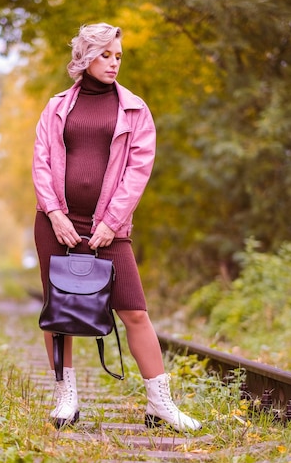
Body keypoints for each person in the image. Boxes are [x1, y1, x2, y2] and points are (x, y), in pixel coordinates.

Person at [32, 22, 201, 432]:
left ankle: (161, 404)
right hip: (55, 224)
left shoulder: (135, 109)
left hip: (110, 228)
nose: (113, 63)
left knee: (135, 311)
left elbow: (137, 172)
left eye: (118, 56)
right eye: (105, 55)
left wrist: (110, 222)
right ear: (86, 56)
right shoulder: (56, 107)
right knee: (59, 313)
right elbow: (40, 162)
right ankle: (65, 400)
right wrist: (54, 213)